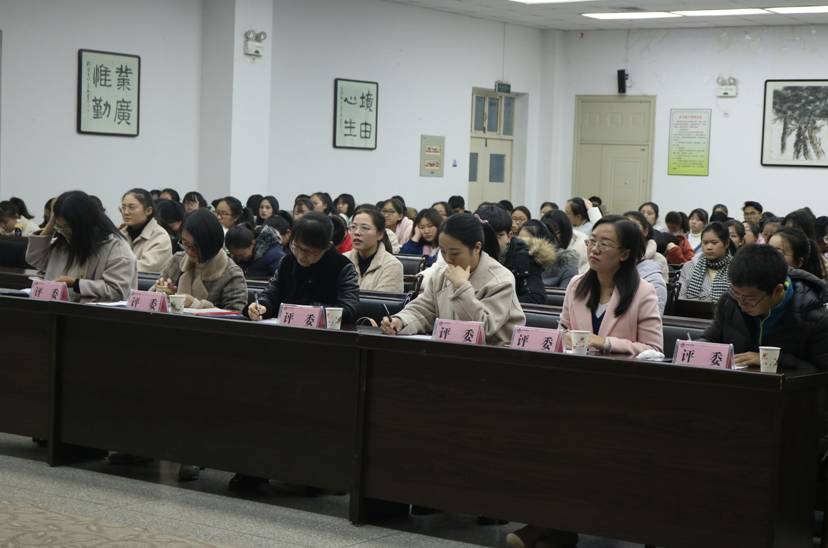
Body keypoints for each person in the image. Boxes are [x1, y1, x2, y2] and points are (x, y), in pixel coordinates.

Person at [381, 213, 525, 345]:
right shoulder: (442, 274)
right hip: (451, 351)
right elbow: (424, 309)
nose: (448, 259)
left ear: (476, 247)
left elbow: (483, 328)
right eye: (443, 252)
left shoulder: (500, 280)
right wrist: (400, 321)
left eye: (455, 253)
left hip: (493, 356)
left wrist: (461, 287)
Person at [701, 244, 828, 370]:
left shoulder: (814, 317)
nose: (741, 304)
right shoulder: (729, 301)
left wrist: (773, 359)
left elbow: (820, 372)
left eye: (750, 299)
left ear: (778, 291)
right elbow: (710, 339)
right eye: (736, 293)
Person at [557, 215, 663, 355]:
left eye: (604, 244)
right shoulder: (576, 285)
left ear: (624, 254)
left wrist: (606, 343)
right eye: (592, 241)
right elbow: (562, 332)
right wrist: (564, 338)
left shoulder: (643, 292)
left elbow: (654, 350)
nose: (594, 249)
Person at [245, 212, 359, 322]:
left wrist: (309, 311)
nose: (300, 256)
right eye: (296, 247)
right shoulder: (287, 261)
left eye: (309, 252)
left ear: (327, 247)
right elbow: (271, 294)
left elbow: (349, 310)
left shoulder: (342, 267)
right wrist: (262, 306)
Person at [25, 191, 137, 303]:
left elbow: (117, 292)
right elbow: (34, 259)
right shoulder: (62, 243)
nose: (63, 232)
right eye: (58, 227)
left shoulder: (116, 249)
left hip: (92, 312)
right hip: (54, 309)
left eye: (66, 227)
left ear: (84, 224)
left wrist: (76, 284)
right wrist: (52, 222)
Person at [154, 209, 247, 312]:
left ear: (211, 244)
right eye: (185, 244)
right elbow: (151, 298)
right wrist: (163, 293)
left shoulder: (231, 273)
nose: (189, 252)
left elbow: (236, 314)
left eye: (194, 247)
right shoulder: (178, 260)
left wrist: (196, 304)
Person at [476, 205, 546, 304]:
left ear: (509, 236)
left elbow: (536, 297)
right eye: (486, 236)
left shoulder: (523, 257)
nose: (493, 241)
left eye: (499, 235)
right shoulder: (469, 254)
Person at [344, 207, 404, 293]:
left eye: (365, 228)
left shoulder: (392, 266)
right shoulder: (343, 260)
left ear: (380, 234)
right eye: (353, 227)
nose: (357, 232)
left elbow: (382, 300)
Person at [678, 222, 736, 301]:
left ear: (726, 243)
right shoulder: (689, 267)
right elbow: (680, 298)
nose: (709, 247)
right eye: (705, 243)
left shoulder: (736, 268)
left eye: (714, 243)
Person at [119, 188, 173, 273]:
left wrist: (113, 267)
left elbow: (145, 268)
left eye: (131, 207)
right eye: (123, 207)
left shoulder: (160, 237)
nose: (126, 212)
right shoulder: (120, 234)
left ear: (148, 211)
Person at [520, 220, 578, 289]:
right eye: (518, 241)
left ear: (543, 244)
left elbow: (566, 294)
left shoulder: (566, 264)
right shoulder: (517, 262)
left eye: (527, 243)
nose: (520, 247)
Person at [623, 210, 668, 282]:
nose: (629, 230)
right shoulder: (613, 256)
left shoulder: (658, 259)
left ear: (645, 231)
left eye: (635, 226)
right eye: (624, 226)